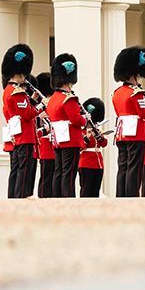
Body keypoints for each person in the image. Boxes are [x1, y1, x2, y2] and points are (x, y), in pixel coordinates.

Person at [111, 46, 145, 198]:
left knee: (123, 166)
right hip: (135, 132)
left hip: (121, 133)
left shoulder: (116, 93)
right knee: (134, 168)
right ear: (135, 73)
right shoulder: (136, 93)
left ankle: (121, 195)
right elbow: (143, 113)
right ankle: (132, 196)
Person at [1, 44, 42, 198]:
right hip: (24, 136)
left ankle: (13, 198)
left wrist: (31, 101)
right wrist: (41, 107)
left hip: (18, 136)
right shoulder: (17, 91)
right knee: (24, 170)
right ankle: (21, 198)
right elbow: (26, 115)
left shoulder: (8, 90)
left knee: (16, 170)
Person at [46, 53, 86, 199]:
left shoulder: (53, 99)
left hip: (58, 139)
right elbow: (76, 119)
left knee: (59, 171)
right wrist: (86, 120)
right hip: (71, 139)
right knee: (69, 173)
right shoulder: (68, 99)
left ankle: (57, 198)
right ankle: (68, 199)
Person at [78, 97, 107, 198]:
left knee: (95, 190)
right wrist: (87, 137)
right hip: (85, 163)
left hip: (98, 164)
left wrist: (97, 135)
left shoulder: (97, 131)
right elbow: (80, 147)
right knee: (86, 190)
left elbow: (104, 143)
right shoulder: (81, 132)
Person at [34, 72, 56, 198]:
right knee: (46, 176)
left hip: (55, 143)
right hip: (45, 146)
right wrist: (39, 120)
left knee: (53, 177)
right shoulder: (39, 106)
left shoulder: (51, 104)